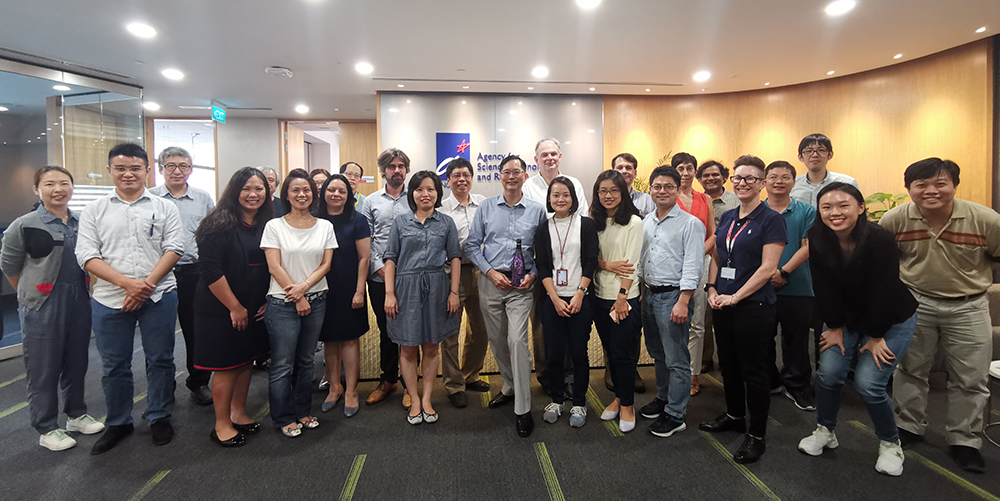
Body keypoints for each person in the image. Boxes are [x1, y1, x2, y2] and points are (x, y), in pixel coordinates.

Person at [881, 158, 1000, 473]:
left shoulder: (986, 220)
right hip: (915, 303)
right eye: (921, 184)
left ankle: (965, 440)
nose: (931, 191)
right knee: (910, 368)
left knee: (971, 378)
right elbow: (885, 262)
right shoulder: (895, 219)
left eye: (940, 183)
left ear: (954, 186)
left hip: (970, 305)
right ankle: (908, 425)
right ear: (909, 189)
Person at [797, 182, 917, 477]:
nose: (834, 213)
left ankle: (891, 444)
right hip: (846, 319)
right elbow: (823, 287)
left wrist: (876, 336)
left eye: (843, 206)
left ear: (861, 208)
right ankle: (826, 431)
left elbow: (883, 290)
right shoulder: (817, 237)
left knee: (868, 383)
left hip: (890, 319)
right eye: (826, 207)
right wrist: (835, 326)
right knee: (829, 373)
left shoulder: (880, 239)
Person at [76, 143, 184, 455]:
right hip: (110, 299)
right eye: (121, 168)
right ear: (110, 170)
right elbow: (86, 255)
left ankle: (158, 414)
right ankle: (118, 421)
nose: (128, 174)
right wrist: (127, 284)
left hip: (159, 295)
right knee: (114, 364)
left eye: (135, 168)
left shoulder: (164, 207)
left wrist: (146, 285)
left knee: (161, 359)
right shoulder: (95, 210)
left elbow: (174, 247)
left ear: (147, 170)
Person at [1, 166, 104, 451]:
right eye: (49, 184)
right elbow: (9, 267)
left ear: (72, 187)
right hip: (42, 304)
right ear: (37, 189)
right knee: (43, 367)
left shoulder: (83, 222)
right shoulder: (24, 224)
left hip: (80, 300)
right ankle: (46, 427)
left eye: (64, 183)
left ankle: (76, 414)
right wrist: (31, 292)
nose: (58, 189)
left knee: (77, 361)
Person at [700, 155, 786, 464]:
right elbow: (718, 258)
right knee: (729, 365)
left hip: (753, 305)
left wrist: (736, 296)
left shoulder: (771, 219)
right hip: (723, 303)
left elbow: (768, 269)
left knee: (754, 370)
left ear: (762, 184)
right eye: (738, 178)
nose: (742, 183)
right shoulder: (728, 217)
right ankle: (735, 415)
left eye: (750, 178)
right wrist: (712, 289)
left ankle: (757, 435)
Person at [466, 155, 548, 437]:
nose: (511, 176)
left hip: (521, 286)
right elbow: (472, 246)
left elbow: (544, 251)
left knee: (516, 340)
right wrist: (489, 272)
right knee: (497, 340)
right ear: (499, 176)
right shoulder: (486, 207)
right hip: (491, 282)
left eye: (517, 172)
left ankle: (523, 409)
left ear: (525, 176)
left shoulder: (537, 211)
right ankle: (511, 384)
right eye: (506, 172)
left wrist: (534, 273)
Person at [192, 167, 274, 447]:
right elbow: (211, 271)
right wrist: (235, 307)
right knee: (226, 366)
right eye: (246, 189)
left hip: (254, 306)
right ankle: (221, 423)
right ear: (234, 191)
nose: (253, 195)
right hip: (221, 307)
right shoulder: (218, 223)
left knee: (245, 361)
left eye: (259, 189)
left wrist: (263, 300)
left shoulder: (266, 223)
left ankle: (238, 413)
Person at [260, 169, 337, 438]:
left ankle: (303, 411)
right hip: (282, 303)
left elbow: (326, 264)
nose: (301, 194)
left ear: (313, 194)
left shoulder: (325, 226)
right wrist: (298, 296)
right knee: (282, 363)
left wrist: (305, 289)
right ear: (287, 195)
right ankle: (283, 417)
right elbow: (273, 266)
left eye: (306, 190)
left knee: (306, 361)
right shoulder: (274, 226)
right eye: (295, 190)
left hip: (316, 300)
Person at [384, 170, 462, 424]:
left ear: (438, 193)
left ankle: (427, 397)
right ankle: (414, 398)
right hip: (405, 288)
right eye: (419, 189)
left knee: (431, 346)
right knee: (407, 347)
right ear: (412, 194)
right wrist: (389, 294)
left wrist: (453, 292)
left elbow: (455, 258)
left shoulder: (446, 223)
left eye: (430, 189)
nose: (425, 194)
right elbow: (390, 258)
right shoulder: (401, 222)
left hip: (438, 286)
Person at [637, 166, 705, 438]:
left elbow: (693, 265)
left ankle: (676, 414)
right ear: (650, 190)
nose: (662, 191)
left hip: (674, 297)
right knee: (658, 354)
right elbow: (642, 260)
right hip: (649, 295)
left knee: (676, 358)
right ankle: (663, 399)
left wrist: (684, 300)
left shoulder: (690, 224)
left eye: (668, 186)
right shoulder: (646, 222)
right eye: (657, 186)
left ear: (678, 189)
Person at [149, 146, 215, 406]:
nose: (177, 171)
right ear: (160, 168)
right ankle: (162, 387)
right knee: (159, 333)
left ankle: (198, 382)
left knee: (195, 330)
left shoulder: (202, 198)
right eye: (171, 165)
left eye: (183, 166)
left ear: (190, 169)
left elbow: (211, 234)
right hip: (159, 274)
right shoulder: (149, 198)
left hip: (193, 272)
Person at [523, 138, 591, 388]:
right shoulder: (528, 186)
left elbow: (583, 220)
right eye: (544, 154)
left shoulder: (574, 183)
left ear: (560, 156)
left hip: (573, 264)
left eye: (553, 153)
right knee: (544, 327)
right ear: (536, 159)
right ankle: (548, 377)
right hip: (544, 265)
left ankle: (571, 378)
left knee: (573, 325)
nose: (549, 158)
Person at [535, 176, 599, 428]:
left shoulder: (586, 225)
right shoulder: (543, 228)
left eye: (565, 195)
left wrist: (580, 294)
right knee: (553, 353)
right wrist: (554, 298)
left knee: (579, 353)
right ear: (549, 199)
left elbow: (591, 261)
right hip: (552, 300)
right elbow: (542, 266)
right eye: (555, 195)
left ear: (573, 198)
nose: (560, 199)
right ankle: (557, 400)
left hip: (579, 298)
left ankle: (580, 403)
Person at [590, 170, 644, 433]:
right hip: (598, 297)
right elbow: (588, 260)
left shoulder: (634, 222)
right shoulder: (594, 222)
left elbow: (631, 266)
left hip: (622, 299)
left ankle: (628, 405)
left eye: (613, 190)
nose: (608, 196)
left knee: (623, 355)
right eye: (603, 191)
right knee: (611, 353)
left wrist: (622, 298)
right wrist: (606, 264)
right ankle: (619, 397)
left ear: (622, 192)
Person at [762, 161, 817, 410]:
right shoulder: (756, 211)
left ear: (794, 182)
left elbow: (808, 246)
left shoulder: (806, 212)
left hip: (798, 286)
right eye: (773, 177)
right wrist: (767, 274)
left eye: (785, 177)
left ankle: (797, 385)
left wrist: (783, 271)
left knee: (796, 340)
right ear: (764, 182)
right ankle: (770, 380)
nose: (779, 181)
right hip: (761, 286)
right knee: (762, 338)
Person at [316, 174, 370, 417]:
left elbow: (364, 258)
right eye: (331, 190)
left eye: (342, 191)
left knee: (349, 339)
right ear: (324, 193)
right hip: (321, 286)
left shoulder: (357, 220)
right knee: (329, 338)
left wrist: (360, 290)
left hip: (350, 286)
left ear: (349, 196)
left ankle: (351, 391)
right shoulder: (314, 220)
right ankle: (334, 387)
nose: (336, 194)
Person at [438, 158, 491, 409]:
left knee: (480, 330)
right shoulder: (441, 209)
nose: (462, 179)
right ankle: (453, 384)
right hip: (452, 274)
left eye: (466, 174)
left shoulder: (484, 204)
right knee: (451, 333)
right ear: (448, 180)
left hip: (482, 273)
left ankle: (471, 374)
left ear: (472, 178)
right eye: (456, 175)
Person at [361, 148, 411, 406]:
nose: (396, 170)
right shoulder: (370, 201)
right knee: (387, 329)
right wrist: (381, 267)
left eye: (401, 165)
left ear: (407, 169)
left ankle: (408, 384)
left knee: (410, 329)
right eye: (391, 166)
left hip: (409, 276)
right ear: (382, 171)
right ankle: (388, 379)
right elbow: (367, 240)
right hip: (379, 277)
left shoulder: (414, 199)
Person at [671, 153, 717, 397]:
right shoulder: (666, 196)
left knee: (697, 323)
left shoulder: (705, 198)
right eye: (680, 168)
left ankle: (692, 374)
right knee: (673, 320)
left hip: (699, 264)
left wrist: (697, 254)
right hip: (672, 265)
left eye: (690, 168)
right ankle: (673, 371)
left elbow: (712, 233)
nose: (685, 173)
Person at [695, 159, 738, 373]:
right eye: (706, 175)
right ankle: (705, 358)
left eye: (715, 174)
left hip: (733, 263)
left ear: (724, 176)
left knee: (729, 310)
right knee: (703, 312)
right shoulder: (697, 200)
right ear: (699, 178)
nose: (711, 178)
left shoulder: (736, 200)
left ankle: (730, 359)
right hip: (704, 260)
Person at [789, 133, 860, 207]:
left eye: (821, 150)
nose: (815, 155)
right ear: (800, 157)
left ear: (830, 155)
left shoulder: (847, 182)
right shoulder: (792, 185)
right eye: (809, 151)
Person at [612, 153, 655, 218]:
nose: (624, 171)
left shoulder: (647, 200)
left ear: (635, 173)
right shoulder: (607, 199)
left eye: (628, 168)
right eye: (620, 168)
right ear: (613, 172)